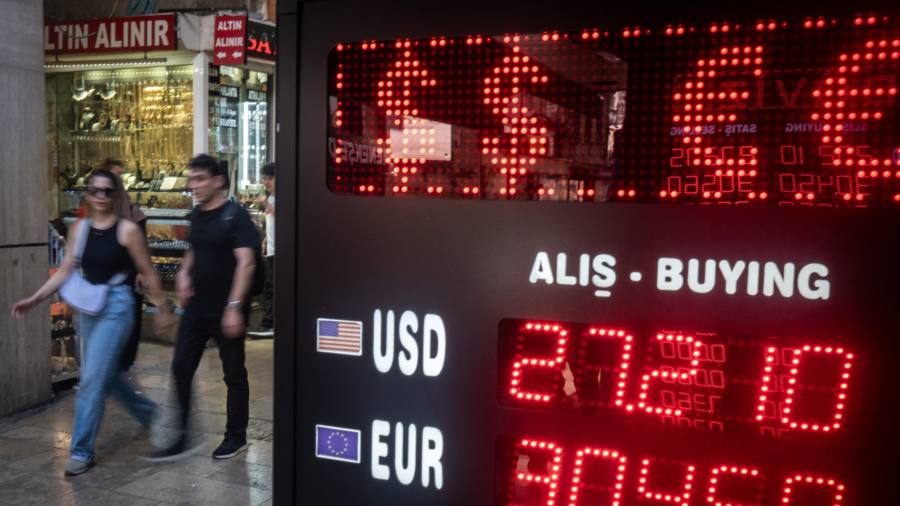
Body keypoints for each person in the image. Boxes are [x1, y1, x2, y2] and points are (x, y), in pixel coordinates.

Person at [11, 169, 174, 476]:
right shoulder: (80, 229)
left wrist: (163, 308)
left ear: (116, 195)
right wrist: (35, 299)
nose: (100, 196)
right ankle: (150, 414)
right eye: (95, 190)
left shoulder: (127, 230)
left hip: (117, 307)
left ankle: (81, 451)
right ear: (87, 194)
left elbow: (148, 272)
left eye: (107, 191)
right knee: (104, 375)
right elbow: (66, 270)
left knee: (90, 379)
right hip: (90, 306)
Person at [147, 154, 258, 461]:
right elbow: (195, 248)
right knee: (181, 367)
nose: (193, 185)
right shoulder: (197, 215)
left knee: (233, 374)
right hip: (197, 308)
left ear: (217, 181)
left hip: (227, 309)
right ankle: (181, 436)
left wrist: (234, 307)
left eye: (200, 179)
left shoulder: (236, 216)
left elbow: (247, 263)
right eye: (191, 179)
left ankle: (236, 436)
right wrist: (184, 272)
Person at [100, 159, 147, 372]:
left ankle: (124, 360)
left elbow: (142, 249)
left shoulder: (134, 216)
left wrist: (142, 272)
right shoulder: (97, 217)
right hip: (105, 281)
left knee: (129, 319)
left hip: (129, 277)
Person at [248, 162, 275, 337]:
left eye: (270, 178)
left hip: (280, 252)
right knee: (269, 287)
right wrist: (265, 239)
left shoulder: (282, 196)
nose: (266, 182)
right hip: (271, 250)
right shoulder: (271, 197)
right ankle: (270, 322)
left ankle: (269, 324)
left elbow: (286, 215)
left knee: (271, 288)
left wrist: (266, 204)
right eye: (264, 178)